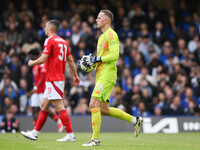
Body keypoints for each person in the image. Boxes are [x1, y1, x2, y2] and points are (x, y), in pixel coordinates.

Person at [82, 10, 143, 146]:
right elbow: (100, 60)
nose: (96, 20)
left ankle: (95, 140)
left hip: (108, 75)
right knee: (103, 109)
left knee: (93, 104)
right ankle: (135, 121)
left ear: (106, 20)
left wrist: (96, 58)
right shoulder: (101, 37)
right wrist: (91, 64)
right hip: (101, 75)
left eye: (98, 18)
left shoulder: (111, 35)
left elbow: (115, 56)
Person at [21, 20, 80, 141]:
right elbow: (70, 60)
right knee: (44, 105)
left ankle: (70, 135)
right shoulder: (64, 42)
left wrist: (32, 62)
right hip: (54, 79)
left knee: (59, 106)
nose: (45, 28)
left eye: (46, 26)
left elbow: (43, 59)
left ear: (51, 28)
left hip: (54, 79)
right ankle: (35, 132)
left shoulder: (49, 40)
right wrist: (75, 75)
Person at [29, 49, 63, 132]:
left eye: (31, 56)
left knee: (45, 109)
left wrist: (35, 87)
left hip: (42, 90)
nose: (30, 57)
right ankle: (36, 128)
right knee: (34, 109)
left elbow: (42, 77)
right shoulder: (35, 66)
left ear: (35, 56)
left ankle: (58, 121)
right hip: (36, 91)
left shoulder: (41, 65)